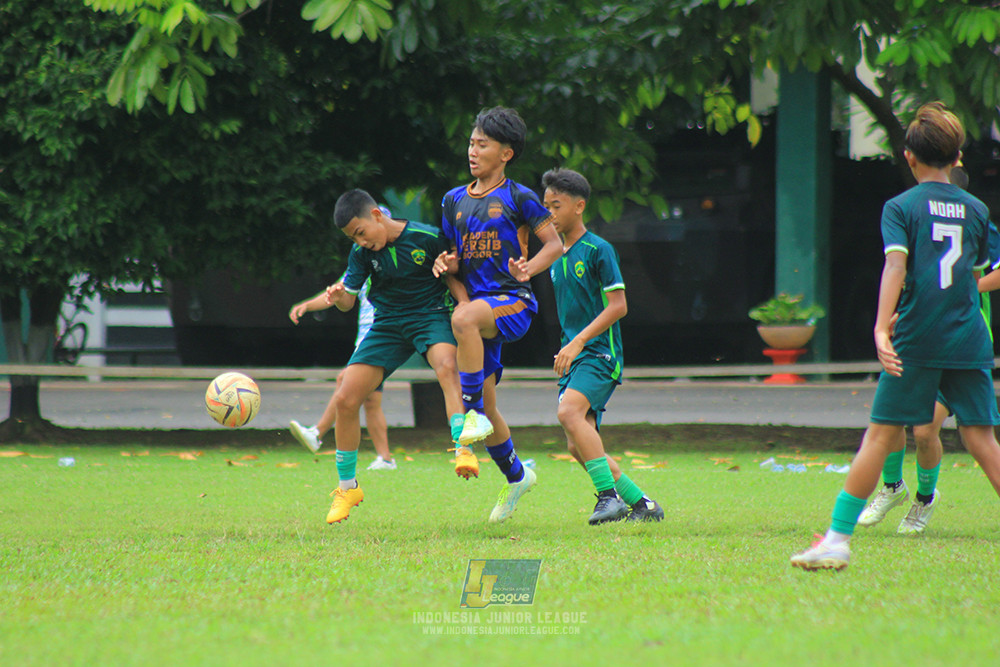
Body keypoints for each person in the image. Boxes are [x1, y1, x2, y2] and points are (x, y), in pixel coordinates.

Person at [790, 102, 1000, 571]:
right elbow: (976, 274)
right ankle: (845, 534)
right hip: (968, 337)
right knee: (983, 439)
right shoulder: (978, 209)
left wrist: (882, 325)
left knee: (881, 435)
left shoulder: (901, 207)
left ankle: (837, 539)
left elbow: (896, 265)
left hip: (919, 336)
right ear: (957, 156)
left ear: (909, 156)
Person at [432, 106, 563, 522]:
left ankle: (466, 414)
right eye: (471, 142)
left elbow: (554, 245)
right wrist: (448, 271)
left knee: (464, 321)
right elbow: (451, 265)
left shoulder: (519, 197)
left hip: (513, 302)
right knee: (489, 405)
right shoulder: (452, 200)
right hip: (475, 310)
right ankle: (517, 476)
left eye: (482, 144)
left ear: (506, 153)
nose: (473, 151)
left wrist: (530, 268)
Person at [857, 176, 1000, 535]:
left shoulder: (976, 217)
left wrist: (962, 289)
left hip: (959, 340)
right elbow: (898, 268)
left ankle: (924, 498)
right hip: (918, 335)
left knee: (924, 430)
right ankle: (892, 487)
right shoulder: (911, 217)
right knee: (888, 424)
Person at [320, 189, 466, 524]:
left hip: (430, 316)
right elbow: (348, 302)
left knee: (447, 367)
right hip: (387, 325)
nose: (360, 242)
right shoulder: (360, 255)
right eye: (352, 238)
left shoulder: (428, 237)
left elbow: (455, 271)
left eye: (360, 232)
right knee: (345, 398)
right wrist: (339, 295)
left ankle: (463, 449)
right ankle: (347, 488)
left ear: (376, 216)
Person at [542, 167, 664, 524]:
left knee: (568, 415)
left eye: (557, 205)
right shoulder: (556, 256)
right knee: (576, 444)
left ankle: (608, 498)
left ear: (579, 206)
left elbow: (618, 305)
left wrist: (578, 342)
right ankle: (642, 505)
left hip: (599, 353)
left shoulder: (599, 249)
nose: (549, 213)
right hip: (575, 356)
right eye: (546, 206)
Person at [288, 269, 396, 471]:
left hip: (381, 336)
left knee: (344, 380)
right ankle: (386, 459)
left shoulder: (390, 260)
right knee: (371, 401)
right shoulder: (361, 264)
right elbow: (336, 293)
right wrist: (307, 305)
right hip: (366, 338)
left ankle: (317, 434)